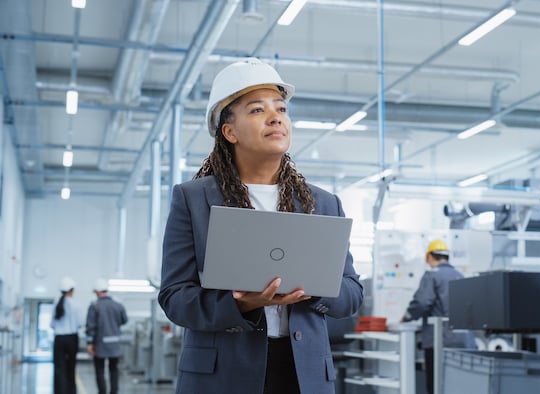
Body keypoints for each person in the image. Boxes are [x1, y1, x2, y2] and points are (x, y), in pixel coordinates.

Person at [158, 57, 364, 394]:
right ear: (229, 131)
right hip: (223, 374)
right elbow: (175, 297)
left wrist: (312, 286)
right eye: (256, 110)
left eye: (281, 109)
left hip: (304, 374)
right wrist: (241, 305)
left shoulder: (324, 204)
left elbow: (352, 294)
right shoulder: (193, 200)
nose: (275, 117)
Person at [401, 239, 476, 394]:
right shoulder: (461, 275)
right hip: (464, 341)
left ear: (429, 256)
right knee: (460, 387)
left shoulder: (432, 275)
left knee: (436, 386)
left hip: (440, 341)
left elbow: (422, 302)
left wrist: (407, 316)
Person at [85, 278, 128, 394]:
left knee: (100, 370)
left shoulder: (94, 306)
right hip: (115, 344)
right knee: (114, 370)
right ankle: (114, 392)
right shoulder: (118, 305)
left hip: (100, 345)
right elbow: (124, 320)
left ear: (98, 292)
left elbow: (91, 326)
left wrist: (89, 343)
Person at [51, 276, 82, 394]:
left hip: (59, 339)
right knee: (71, 367)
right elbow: (79, 323)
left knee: (59, 368)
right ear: (72, 290)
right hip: (72, 339)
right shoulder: (76, 304)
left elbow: (52, 324)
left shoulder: (56, 304)